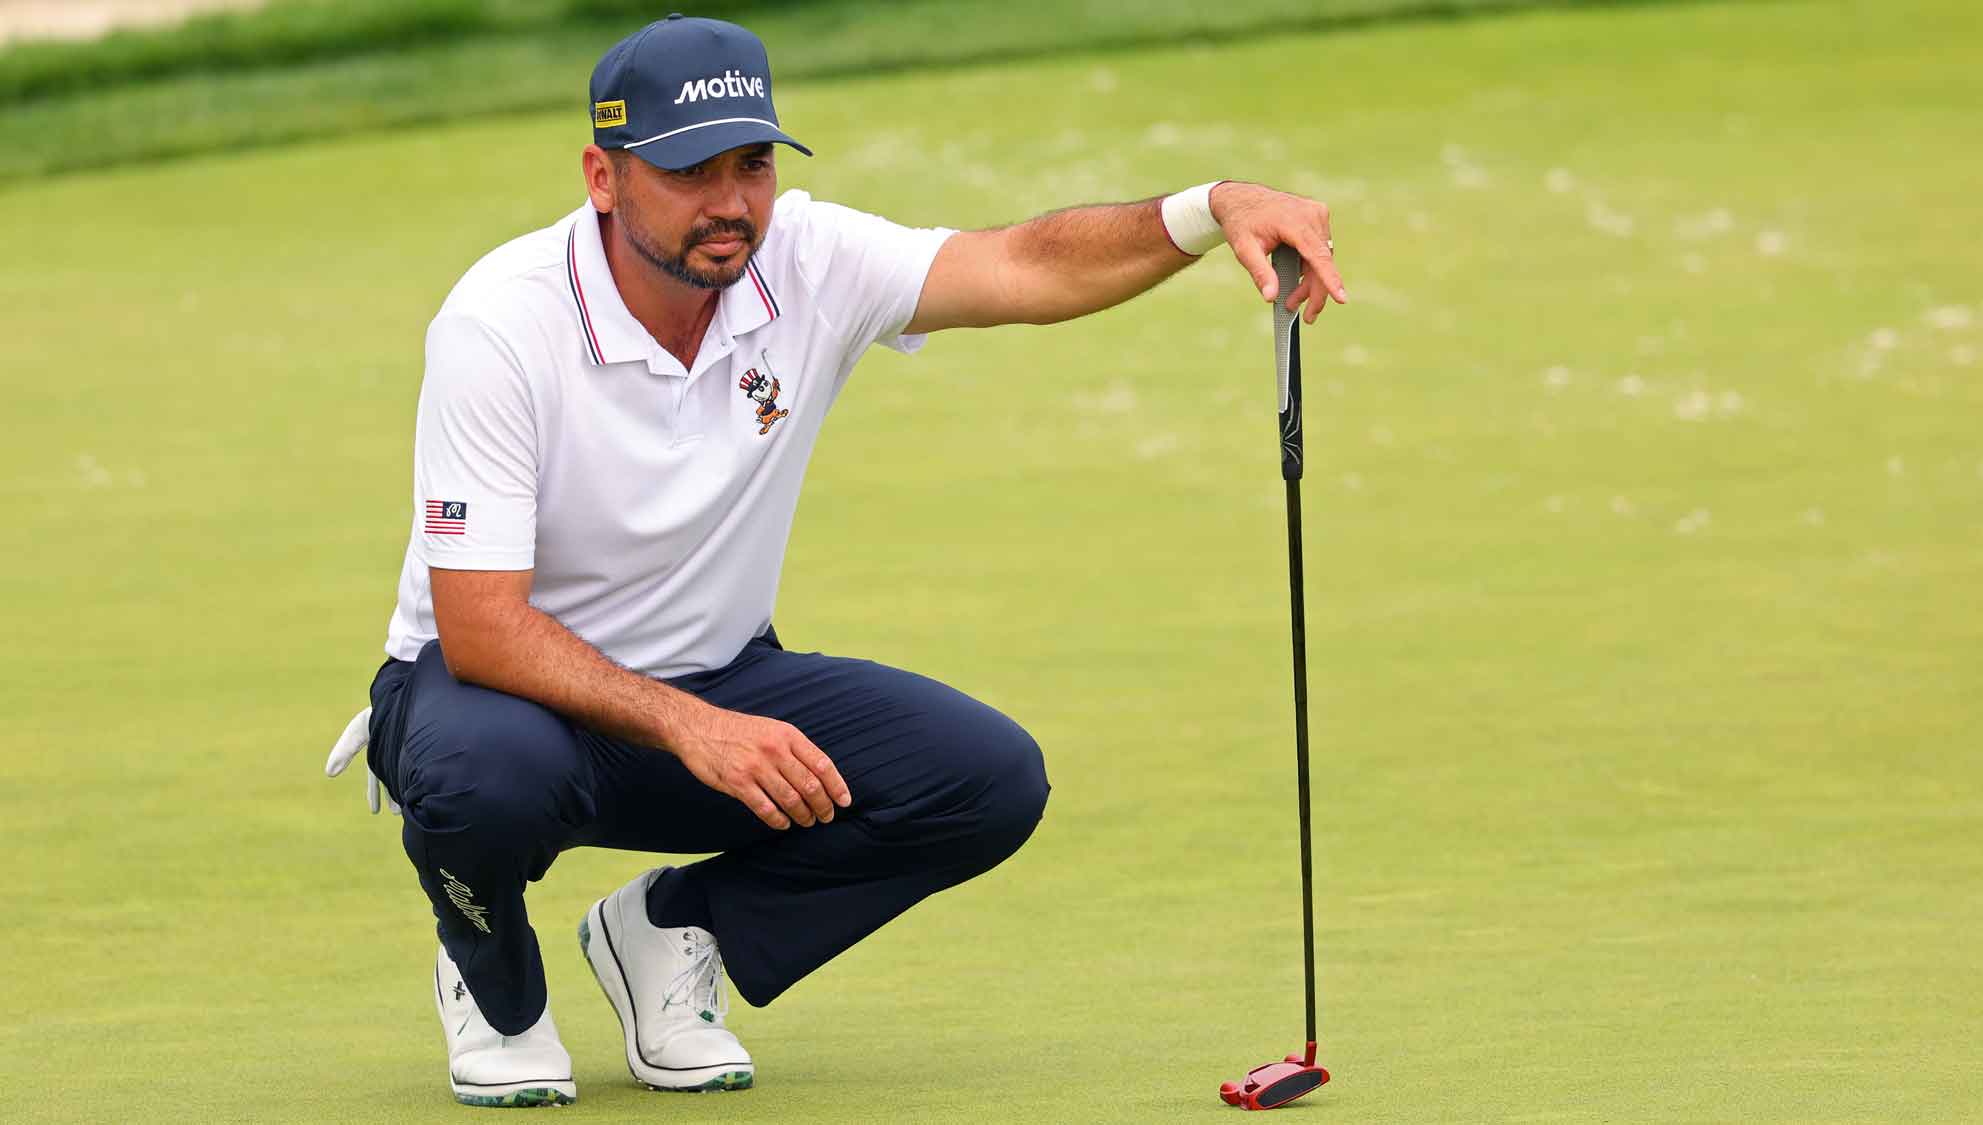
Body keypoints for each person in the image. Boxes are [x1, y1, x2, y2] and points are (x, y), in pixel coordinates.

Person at [325, 12, 1346, 1109]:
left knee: (984, 781)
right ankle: (492, 984)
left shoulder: (806, 259)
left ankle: (671, 932)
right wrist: (691, 725)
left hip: (716, 678)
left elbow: (1017, 268)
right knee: (486, 783)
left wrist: (1207, 210)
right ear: (604, 176)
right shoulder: (499, 322)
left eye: (751, 164)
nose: (730, 202)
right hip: (495, 701)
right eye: (687, 170)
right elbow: (479, 629)